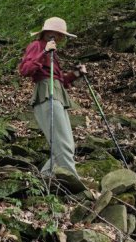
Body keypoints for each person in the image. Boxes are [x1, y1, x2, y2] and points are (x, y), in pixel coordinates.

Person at [18, 17, 86, 178]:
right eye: (59, 34)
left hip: (57, 95)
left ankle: (43, 181)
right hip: (46, 95)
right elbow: (25, 70)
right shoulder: (37, 46)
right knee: (63, 146)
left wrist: (76, 74)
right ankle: (74, 184)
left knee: (65, 145)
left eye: (62, 35)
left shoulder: (52, 52)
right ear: (48, 32)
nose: (61, 38)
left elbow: (60, 80)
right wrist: (44, 52)